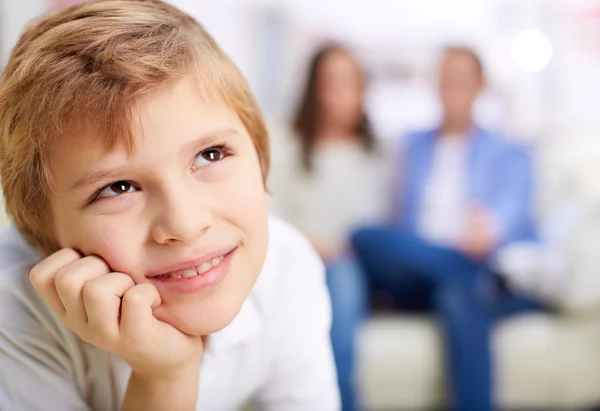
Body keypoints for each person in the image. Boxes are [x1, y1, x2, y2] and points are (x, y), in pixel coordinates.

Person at [0, 1, 339, 410]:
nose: (186, 222)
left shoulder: (288, 266)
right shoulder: (13, 309)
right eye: (119, 187)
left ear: (262, 167)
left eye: (211, 155)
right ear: (46, 242)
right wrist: (166, 377)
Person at [337, 47, 541, 411]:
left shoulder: (510, 151)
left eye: (461, 82)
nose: (451, 91)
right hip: (426, 269)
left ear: (480, 86)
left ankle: (467, 274)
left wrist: (490, 229)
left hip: (484, 268)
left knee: (457, 294)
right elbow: (394, 221)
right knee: (363, 236)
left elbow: (513, 211)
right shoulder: (410, 146)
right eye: (445, 81)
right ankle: (466, 271)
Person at [269, 44, 393, 411]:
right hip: (314, 261)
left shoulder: (381, 150)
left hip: (368, 264)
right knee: (340, 270)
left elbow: (387, 223)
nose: (342, 94)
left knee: (357, 252)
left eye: (351, 82)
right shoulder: (287, 144)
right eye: (332, 83)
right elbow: (272, 215)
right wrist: (315, 244)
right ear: (314, 90)